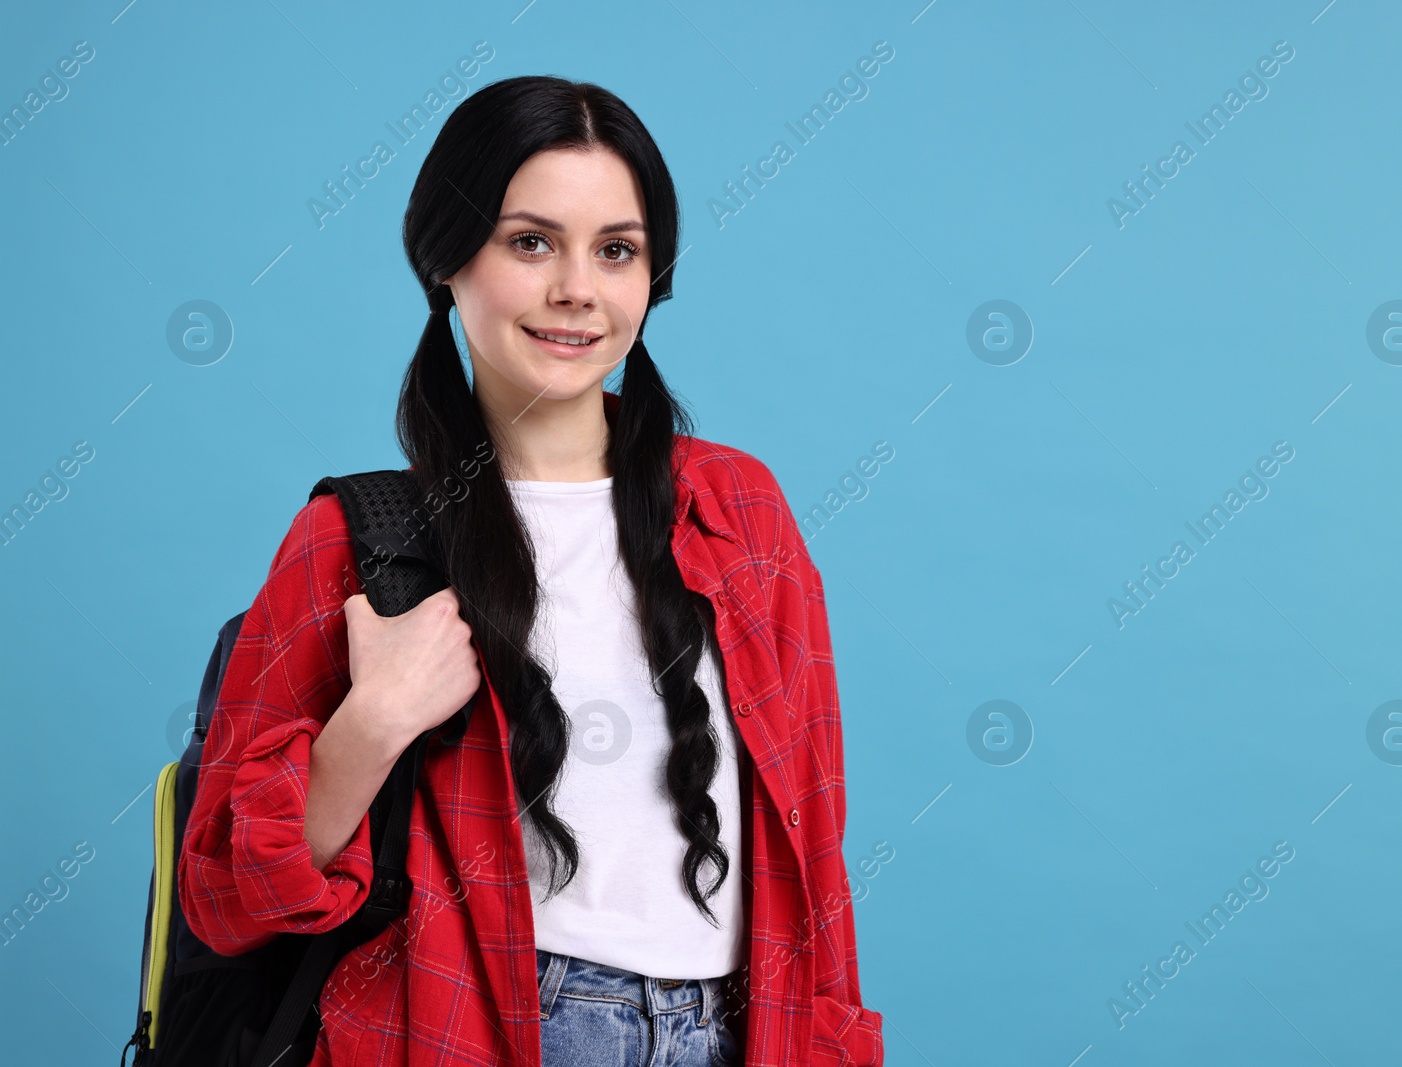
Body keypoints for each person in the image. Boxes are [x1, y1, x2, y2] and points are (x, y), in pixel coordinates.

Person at [177, 74, 884, 1066]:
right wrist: (374, 719)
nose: (576, 290)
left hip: (734, 1031)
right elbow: (223, 897)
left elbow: (813, 857)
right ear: (447, 261)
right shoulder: (354, 542)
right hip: (477, 1029)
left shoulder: (739, 512)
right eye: (530, 241)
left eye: (617, 250)